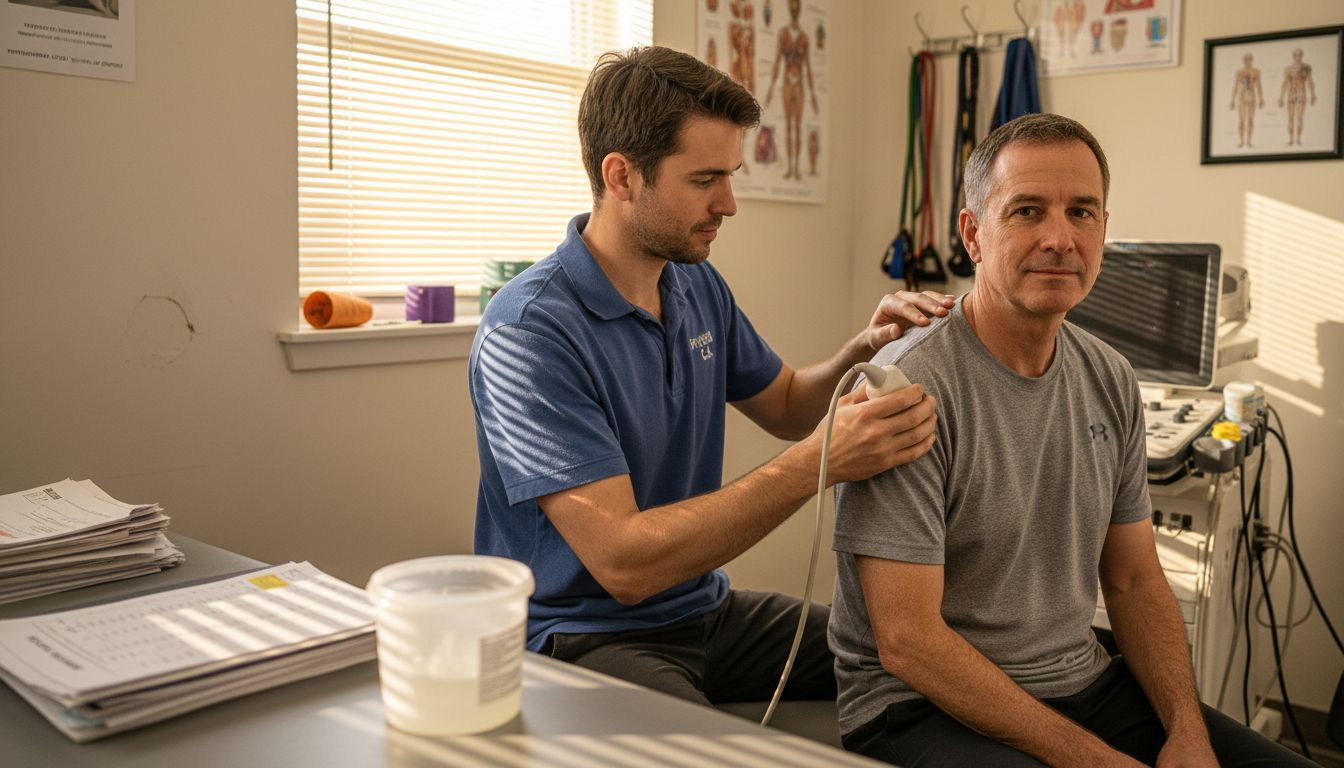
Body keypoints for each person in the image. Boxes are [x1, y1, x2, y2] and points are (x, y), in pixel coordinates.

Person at [469, 45, 949, 710]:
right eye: (704, 180)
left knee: (921, 657)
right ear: (621, 176)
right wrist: (822, 462)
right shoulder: (527, 332)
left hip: (706, 613)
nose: (728, 204)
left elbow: (784, 404)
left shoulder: (694, 282)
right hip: (582, 636)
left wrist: (860, 350)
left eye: (730, 176)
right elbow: (625, 564)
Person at [828, 113, 1315, 767]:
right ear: (973, 234)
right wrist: (1095, 760)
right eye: (1027, 211)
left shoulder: (1108, 376)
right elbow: (908, 641)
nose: (1060, 238)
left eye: (1082, 212)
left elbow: (1137, 579)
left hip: (1081, 681)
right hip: (919, 705)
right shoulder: (911, 390)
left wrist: (1187, 731)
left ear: (1104, 231)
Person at [764, 0, 818, 181]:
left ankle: (796, 168)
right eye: (792, 6)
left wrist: (813, 96)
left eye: (797, 6)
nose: (795, 9)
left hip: (799, 84)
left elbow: (809, 67)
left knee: (798, 126)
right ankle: (790, 168)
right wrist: (770, 89)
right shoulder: (783, 34)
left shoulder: (804, 37)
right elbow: (777, 63)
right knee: (788, 125)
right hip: (787, 82)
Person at [1279, 48, 1316, 147]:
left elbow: (1310, 82)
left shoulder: (1306, 67)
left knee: (1299, 117)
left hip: (1301, 93)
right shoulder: (1288, 68)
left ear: (1302, 56)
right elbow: (1285, 83)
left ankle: (1298, 139)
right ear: (1293, 56)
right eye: (1296, 55)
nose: (1297, 57)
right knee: (1291, 118)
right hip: (1291, 93)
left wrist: (1313, 95)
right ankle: (1291, 140)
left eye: (1299, 55)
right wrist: (1281, 97)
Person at [1230, 52, 1264, 148]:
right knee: (1241, 120)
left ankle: (1249, 141)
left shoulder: (1256, 72)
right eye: (1245, 59)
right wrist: (1232, 100)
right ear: (1243, 60)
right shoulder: (1239, 72)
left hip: (1252, 97)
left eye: (1249, 59)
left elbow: (1258, 86)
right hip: (1242, 96)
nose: (1247, 61)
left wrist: (1261, 98)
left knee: (1250, 119)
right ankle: (1241, 141)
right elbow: (1236, 86)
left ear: (1251, 60)